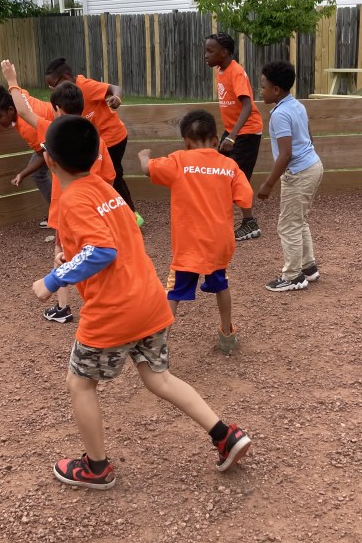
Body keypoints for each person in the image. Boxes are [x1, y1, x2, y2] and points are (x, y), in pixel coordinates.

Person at [32, 114, 252, 489]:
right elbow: (115, 236)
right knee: (159, 378)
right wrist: (72, 258)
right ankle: (225, 435)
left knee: (80, 383)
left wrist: (53, 279)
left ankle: (96, 468)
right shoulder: (106, 188)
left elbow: (101, 249)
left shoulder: (71, 202)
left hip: (114, 312)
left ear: (49, 160)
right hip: (149, 301)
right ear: (96, 155)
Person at [1, 59, 115, 324]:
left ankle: (64, 307)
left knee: (63, 253)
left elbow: (24, 112)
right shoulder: (97, 139)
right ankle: (93, 301)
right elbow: (109, 177)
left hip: (68, 207)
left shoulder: (53, 132)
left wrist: (12, 81)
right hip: (98, 206)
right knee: (96, 251)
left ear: (57, 109)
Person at [138, 110, 254, 353]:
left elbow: (148, 169)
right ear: (215, 140)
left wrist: (144, 156)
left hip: (189, 245)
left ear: (186, 141)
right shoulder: (229, 165)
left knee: (173, 292)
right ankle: (227, 336)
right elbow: (245, 199)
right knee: (221, 285)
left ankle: (160, 346)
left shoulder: (178, 160)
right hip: (218, 243)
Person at [43, 57, 144, 227]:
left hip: (113, 137)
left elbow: (115, 88)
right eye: (50, 87)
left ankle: (131, 216)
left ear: (66, 77)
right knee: (104, 177)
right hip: (95, 141)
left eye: (54, 84)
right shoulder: (67, 97)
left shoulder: (86, 87)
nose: (52, 89)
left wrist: (117, 98)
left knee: (114, 175)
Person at [258, 61, 323, 292]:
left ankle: (293, 276)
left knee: (288, 225)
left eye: (263, 86)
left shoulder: (280, 114)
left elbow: (286, 154)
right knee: (298, 220)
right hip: (313, 165)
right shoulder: (297, 105)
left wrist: (268, 184)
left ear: (276, 89)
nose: (260, 90)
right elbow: (309, 138)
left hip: (299, 172)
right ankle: (308, 268)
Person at [205, 33, 263, 241]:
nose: (206, 55)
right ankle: (221, 220)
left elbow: (247, 105)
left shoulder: (236, 72)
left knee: (237, 178)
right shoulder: (221, 70)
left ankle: (249, 223)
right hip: (232, 131)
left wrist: (232, 136)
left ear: (225, 52)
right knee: (222, 173)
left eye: (210, 51)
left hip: (246, 132)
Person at [0, 84, 53, 228]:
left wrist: (22, 174)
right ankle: (58, 212)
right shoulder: (18, 97)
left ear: (11, 110)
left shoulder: (27, 127)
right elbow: (17, 90)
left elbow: (43, 155)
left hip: (59, 137)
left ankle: (59, 214)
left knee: (42, 174)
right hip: (54, 131)